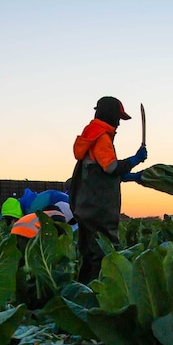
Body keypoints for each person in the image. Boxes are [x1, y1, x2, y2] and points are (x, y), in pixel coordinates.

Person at [70, 96, 147, 283]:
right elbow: (112, 168)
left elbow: (103, 174)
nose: (119, 124)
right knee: (103, 255)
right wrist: (134, 160)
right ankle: (97, 296)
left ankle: (83, 292)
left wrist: (132, 177)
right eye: (118, 118)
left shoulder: (91, 136)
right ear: (110, 115)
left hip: (86, 207)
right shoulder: (102, 137)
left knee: (89, 255)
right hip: (99, 210)